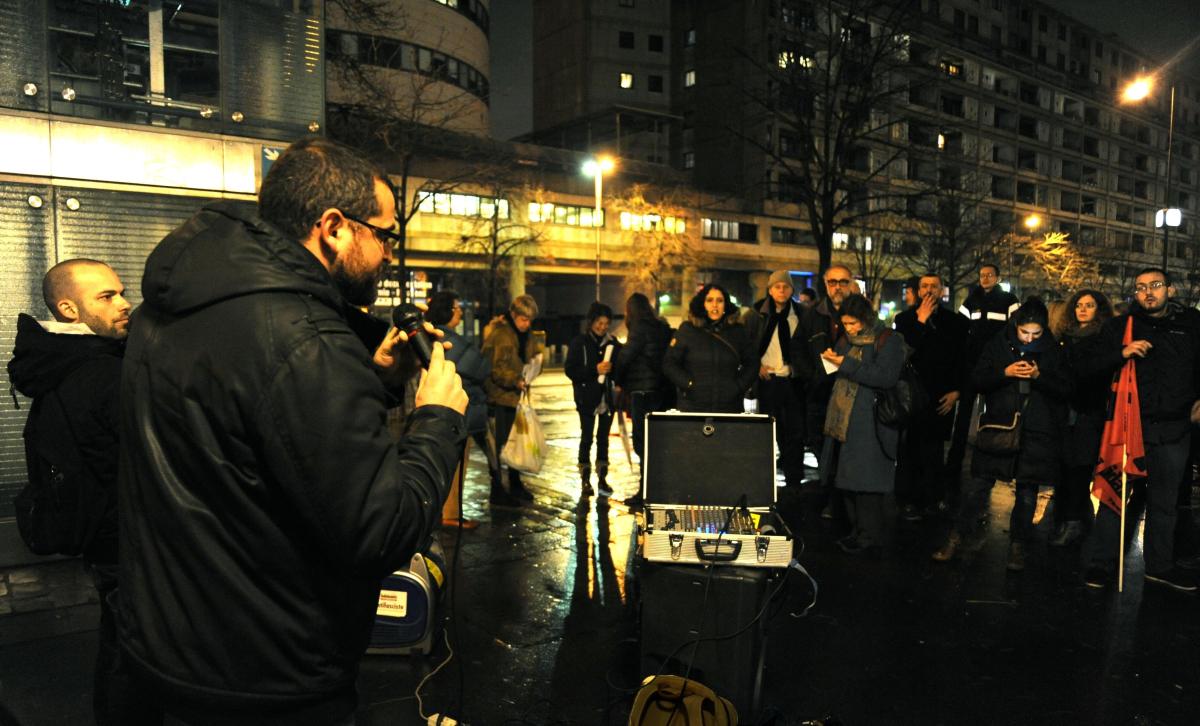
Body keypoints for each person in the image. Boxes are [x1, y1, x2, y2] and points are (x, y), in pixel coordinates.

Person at [118, 137, 469, 726]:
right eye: (384, 235)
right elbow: (381, 530)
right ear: (333, 227)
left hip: (166, 645)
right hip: (267, 672)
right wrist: (437, 419)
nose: (388, 254)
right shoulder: (304, 339)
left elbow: (250, 441)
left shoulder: (179, 305)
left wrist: (371, 381)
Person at [7, 260, 159, 726]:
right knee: (133, 652)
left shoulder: (56, 360)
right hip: (126, 537)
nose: (124, 303)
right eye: (106, 296)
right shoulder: (102, 373)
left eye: (121, 292)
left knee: (123, 639)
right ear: (69, 309)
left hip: (103, 535)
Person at [1080, 269, 1200, 592]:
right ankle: (1101, 564)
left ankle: (1159, 567)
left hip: (1173, 428)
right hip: (1128, 426)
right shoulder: (1121, 326)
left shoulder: (1191, 324)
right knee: (1114, 496)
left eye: (1156, 286)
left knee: (1165, 502)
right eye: (1141, 287)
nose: (1148, 292)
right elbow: (1088, 366)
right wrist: (1121, 353)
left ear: (1171, 290)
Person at [932, 298, 1069, 572]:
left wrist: (1039, 377)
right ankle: (955, 538)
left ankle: (1018, 547)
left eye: (1036, 334)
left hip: (1035, 431)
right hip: (999, 425)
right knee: (978, 486)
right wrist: (1004, 372)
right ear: (1016, 326)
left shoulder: (1053, 350)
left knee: (1027, 492)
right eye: (1024, 332)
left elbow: (1066, 389)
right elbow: (976, 379)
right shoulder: (998, 344)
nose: (1029, 339)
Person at [818, 293, 905, 554]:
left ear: (865, 319)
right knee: (847, 480)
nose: (850, 329)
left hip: (872, 421)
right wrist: (832, 360)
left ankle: (869, 536)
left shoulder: (888, 339)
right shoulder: (846, 340)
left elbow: (885, 377)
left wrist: (845, 364)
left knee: (868, 483)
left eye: (854, 323)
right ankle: (856, 532)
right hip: (843, 420)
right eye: (845, 324)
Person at [893, 273, 969, 520]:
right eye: (924, 286)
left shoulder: (955, 322)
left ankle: (933, 498)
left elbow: (961, 358)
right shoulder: (904, 319)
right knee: (910, 449)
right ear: (918, 291)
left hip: (941, 395)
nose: (928, 290)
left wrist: (957, 390)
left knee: (934, 451)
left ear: (941, 290)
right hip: (912, 394)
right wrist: (921, 320)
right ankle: (908, 500)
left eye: (934, 286)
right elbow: (904, 352)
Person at [944, 263, 1021, 500]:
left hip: (996, 366)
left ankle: (989, 467)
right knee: (964, 416)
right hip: (972, 365)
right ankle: (953, 464)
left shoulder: (1009, 300)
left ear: (997, 277)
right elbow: (959, 329)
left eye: (989, 275)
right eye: (982, 275)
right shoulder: (971, 300)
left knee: (995, 416)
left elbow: (1016, 328)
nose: (985, 278)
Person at [1051, 289, 1114, 546]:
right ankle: (1070, 517)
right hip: (1064, 408)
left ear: (1099, 309)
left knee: (1080, 467)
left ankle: (1074, 521)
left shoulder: (1103, 337)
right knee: (1064, 466)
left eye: (1089, 305)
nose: (1083, 309)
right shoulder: (1065, 336)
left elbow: (1094, 372)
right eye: (1079, 305)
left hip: (1089, 410)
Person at [426, 290, 492, 528]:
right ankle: (450, 515)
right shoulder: (450, 340)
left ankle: (444, 513)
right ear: (447, 311)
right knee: (456, 464)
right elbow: (481, 367)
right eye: (457, 308)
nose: (460, 312)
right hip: (456, 410)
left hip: (440, 408)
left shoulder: (430, 335)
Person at [749, 270, 810, 487]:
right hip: (768, 380)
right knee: (769, 431)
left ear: (792, 290)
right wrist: (756, 366)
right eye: (777, 286)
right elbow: (747, 344)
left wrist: (799, 367)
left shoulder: (802, 314)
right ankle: (765, 481)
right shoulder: (757, 314)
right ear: (770, 289)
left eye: (786, 286)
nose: (781, 290)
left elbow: (807, 345)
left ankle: (794, 480)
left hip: (793, 380)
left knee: (795, 431)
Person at [483, 294, 543, 505]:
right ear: (514, 315)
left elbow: (531, 356)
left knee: (515, 443)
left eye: (530, 320)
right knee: (503, 445)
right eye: (524, 319)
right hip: (500, 398)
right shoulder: (502, 335)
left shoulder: (524, 334)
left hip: (516, 397)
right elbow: (496, 369)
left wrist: (535, 365)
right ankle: (499, 489)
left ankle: (515, 484)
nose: (527, 324)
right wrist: (515, 380)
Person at [663, 283, 757, 413]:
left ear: (726, 305)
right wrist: (689, 384)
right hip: (693, 406)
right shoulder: (687, 330)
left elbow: (752, 363)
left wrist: (738, 387)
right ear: (702, 304)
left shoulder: (738, 332)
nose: (715, 305)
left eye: (720, 300)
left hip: (729, 406)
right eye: (710, 300)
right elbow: (670, 363)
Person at [565, 302, 619, 497]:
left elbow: (620, 368)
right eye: (599, 323)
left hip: (607, 399)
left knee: (603, 440)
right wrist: (594, 369)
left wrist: (614, 374)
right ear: (591, 322)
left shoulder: (613, 343)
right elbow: (570, 370)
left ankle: (602, 479)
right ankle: (585, 479)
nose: (602, 327)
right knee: (586, 438)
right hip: (586, 398)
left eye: (606, 323)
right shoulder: (579, 342)